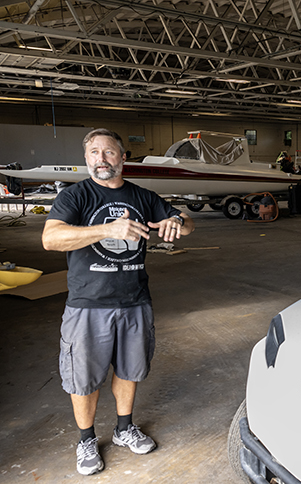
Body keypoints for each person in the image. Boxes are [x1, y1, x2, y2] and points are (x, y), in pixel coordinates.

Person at [42, 128, 195, 476]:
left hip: (135, 301)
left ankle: (124, 428)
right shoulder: (75, 197)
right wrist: (107, 230)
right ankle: (86, 440)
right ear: (86, 159)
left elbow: (187, 223)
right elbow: (50, 239)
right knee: (83, 378)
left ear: (123, 158)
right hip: (87, 304)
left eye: (109, 152)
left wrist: (177, 221)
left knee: (130, 370)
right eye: (94, 153)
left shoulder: (142, 196)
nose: (101, 159)